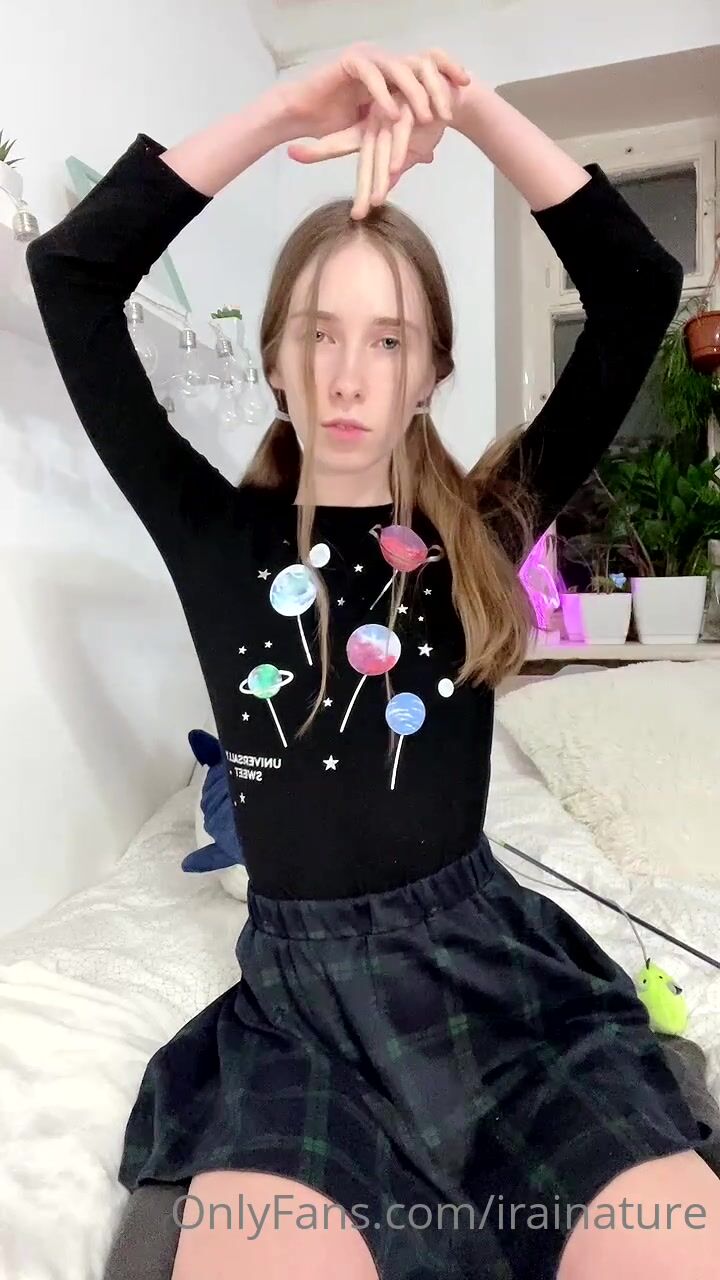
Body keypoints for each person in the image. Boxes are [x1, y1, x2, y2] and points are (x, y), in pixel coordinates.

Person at [26, 44, 720, 1280]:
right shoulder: (214, 535)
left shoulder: (483, 529)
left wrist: (469, 105)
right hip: (301, 1017)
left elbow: (636, 286)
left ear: (431, 374)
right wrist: (285, 110)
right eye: (319, 333)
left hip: (498, 985)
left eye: (390, 339)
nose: (349, 374)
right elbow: (72, 274)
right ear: (276, 362)